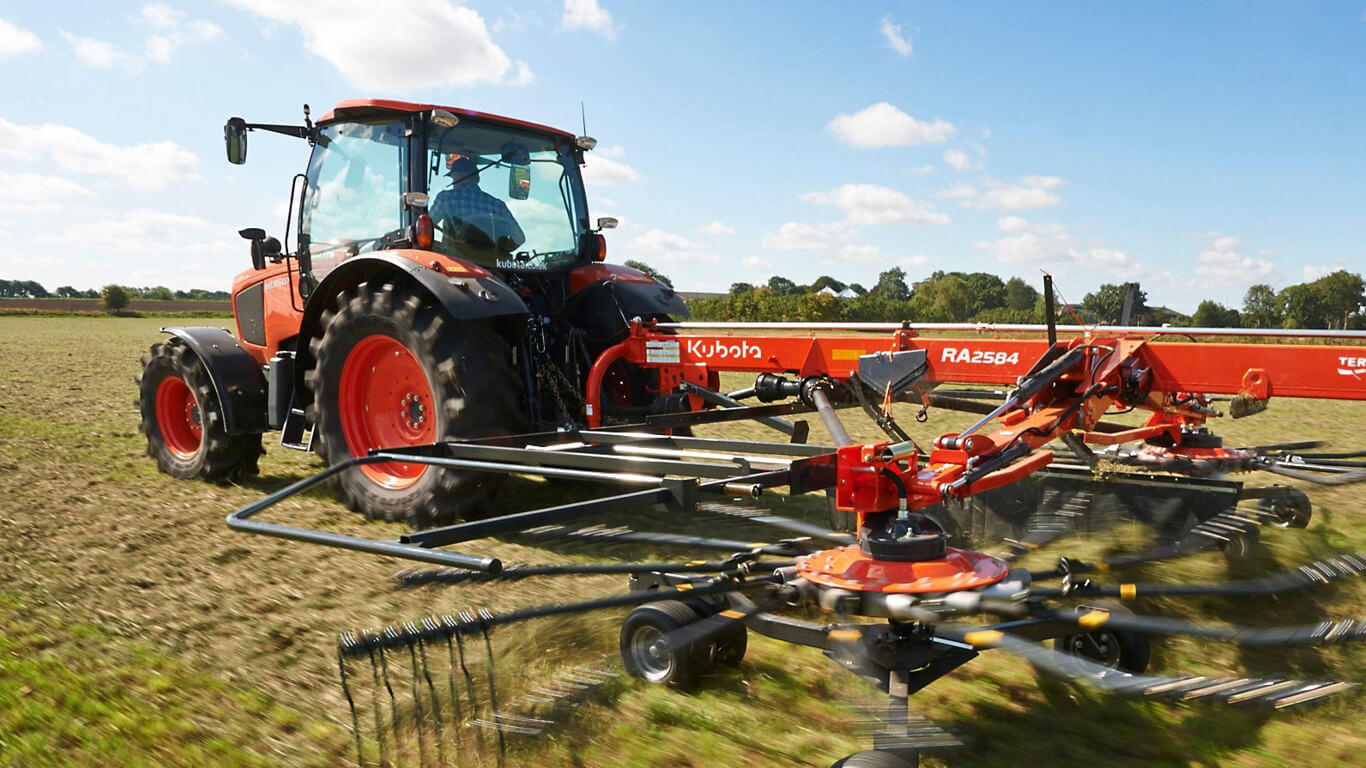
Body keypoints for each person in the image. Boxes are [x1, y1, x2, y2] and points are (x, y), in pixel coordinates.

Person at [428, 154, 525, 255]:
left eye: (453, 178)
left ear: (458, 176)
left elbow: (428, 223)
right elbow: (520, 238)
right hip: (492, 266)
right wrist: (499, 252)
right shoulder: (498, 204)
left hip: (456, 262)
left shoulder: (445, 198)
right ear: (476, 179)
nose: (453, 183)